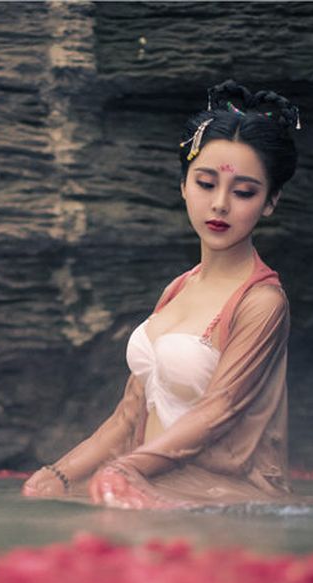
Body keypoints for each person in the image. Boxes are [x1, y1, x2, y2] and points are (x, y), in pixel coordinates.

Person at [23, 80, 298, 510]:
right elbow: (130, 415)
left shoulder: (262, 302)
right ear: (184, 186)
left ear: (270, 202)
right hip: (153, 485)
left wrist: (126, 470)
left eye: (243, 192)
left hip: (224, 504)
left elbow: (219, 410)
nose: (220, 204)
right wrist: (58, 474)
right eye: (206, 183)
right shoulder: (178, 288)